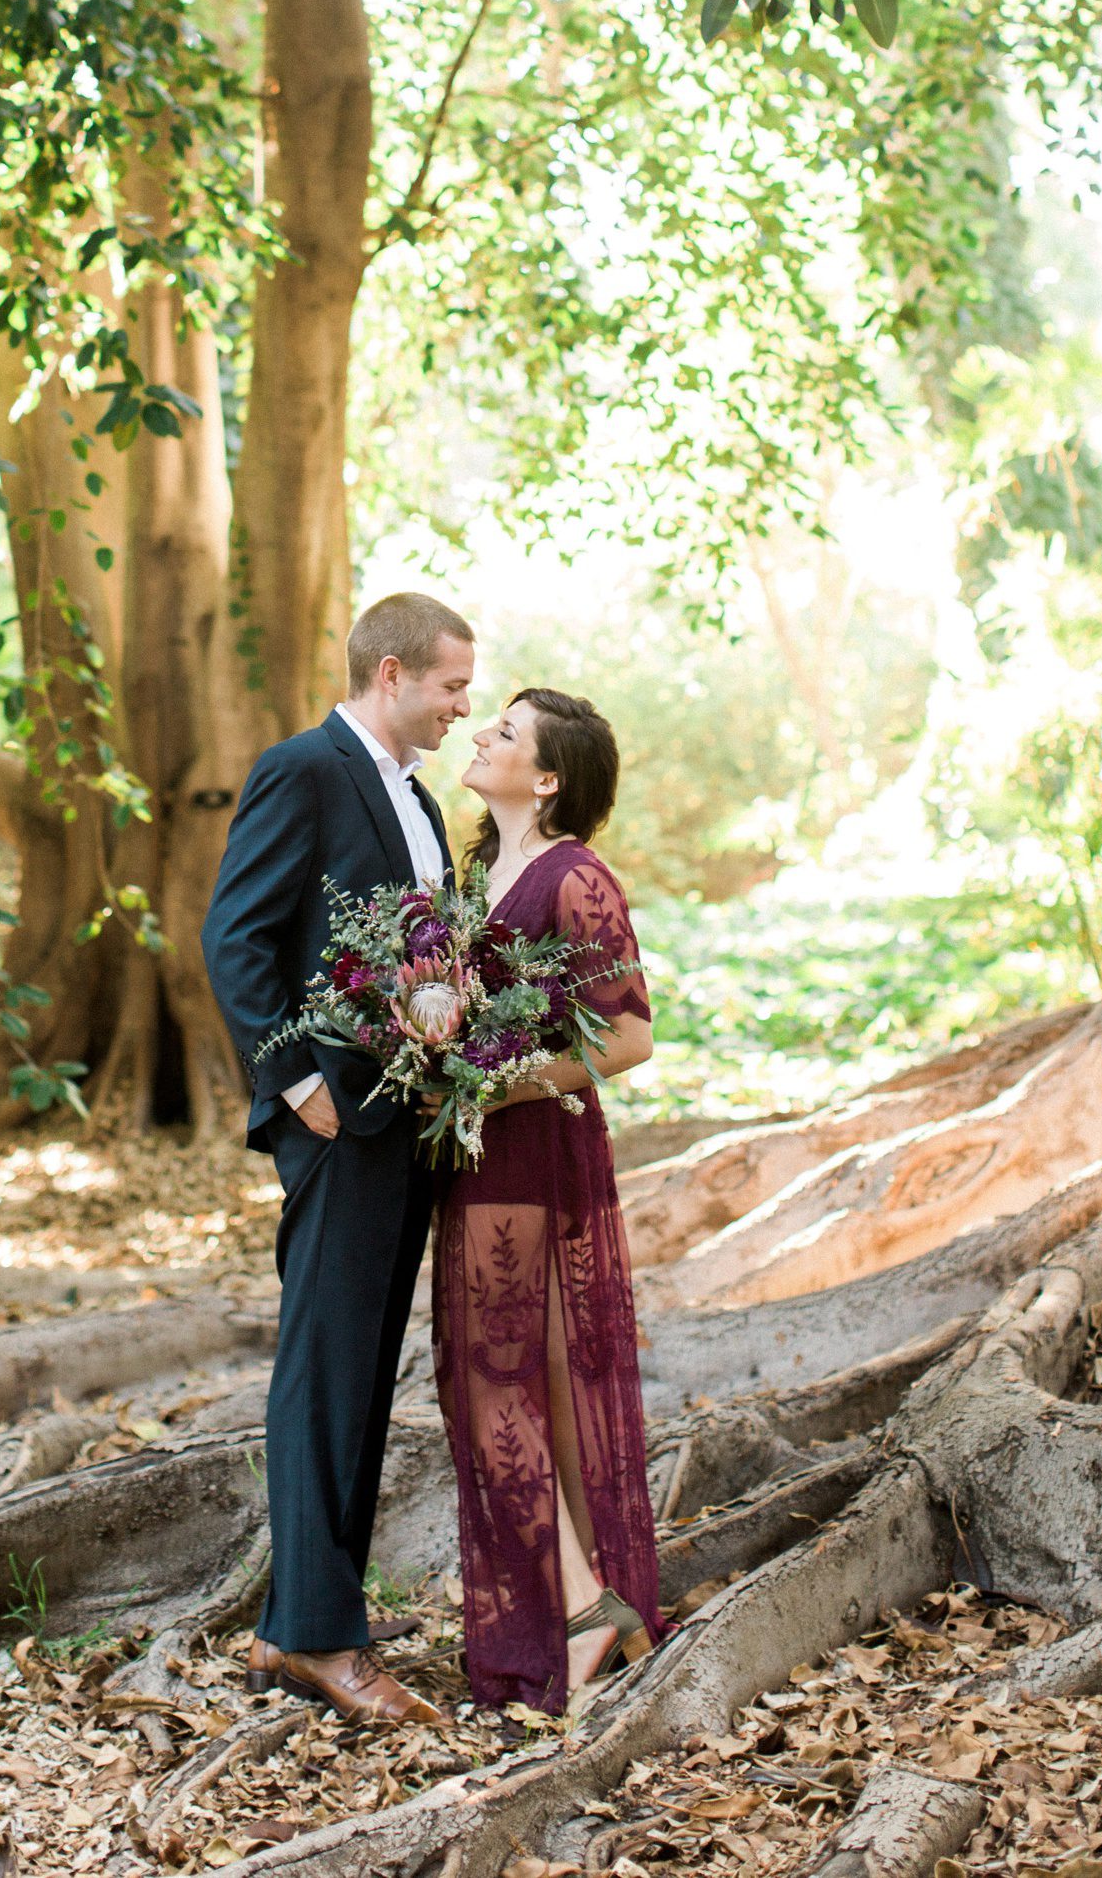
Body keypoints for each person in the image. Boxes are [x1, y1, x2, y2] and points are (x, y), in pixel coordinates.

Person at [201, 590, 476, 1726]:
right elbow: (235, 937)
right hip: (335, 1121)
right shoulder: (303, 770)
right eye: (452, 686)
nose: (463, 707)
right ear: (391, 674)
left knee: (361, 1375)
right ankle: (319, 1639)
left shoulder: (420, 799)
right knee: (324, 1372)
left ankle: (309, 1616)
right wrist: (294, 1083)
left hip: (403, 1123)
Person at [434, 687, 663, 1712]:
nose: (481, 734)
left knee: (494, 1385)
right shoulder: (477, 873)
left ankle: (580, 1609)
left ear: (548, 777)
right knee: (524, 1383)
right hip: (477, 1153)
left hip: (532, 1150)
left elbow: (627, 1037)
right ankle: (598, 1600)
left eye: (505, 732)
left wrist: (498, 1085)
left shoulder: (576, 877)